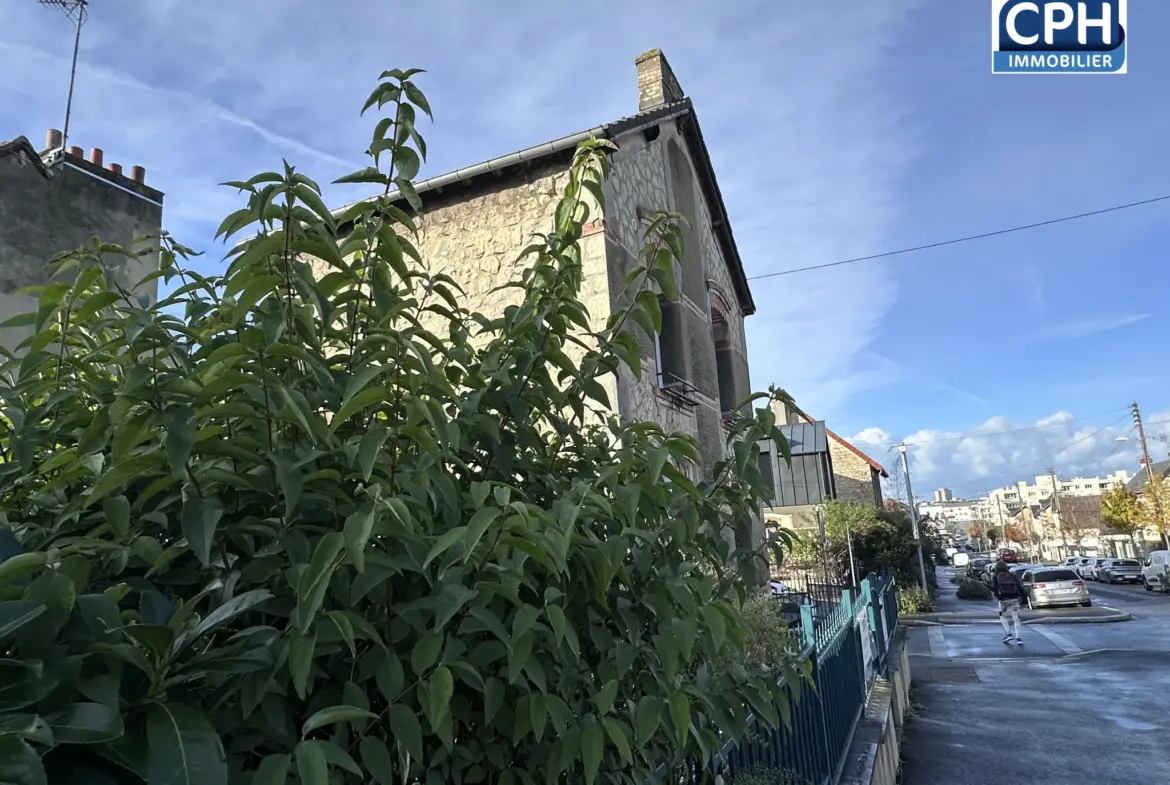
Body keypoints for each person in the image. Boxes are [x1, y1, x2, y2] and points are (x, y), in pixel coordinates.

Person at [992, 560, 1024, 645]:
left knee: (1002, 616)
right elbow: (1020, 587)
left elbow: (994, 589)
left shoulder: (996, 576)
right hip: (1014, 599)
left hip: (1003, 599)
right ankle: (1018, 637)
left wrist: (999, 597)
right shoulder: (1012, 575)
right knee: (1016, 618)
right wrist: (1022, 598)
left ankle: (1008, 633)